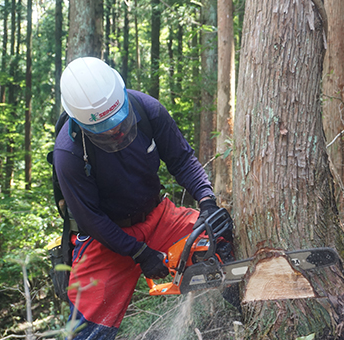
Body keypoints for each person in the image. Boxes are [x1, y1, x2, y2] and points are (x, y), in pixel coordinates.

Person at [53, 57, 227, 339]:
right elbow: (91, 219)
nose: (114, 131)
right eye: (103, 127)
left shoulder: (148, 110)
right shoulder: (69, 154)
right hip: (103, 237)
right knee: (87, 330)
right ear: (81, 123)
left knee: (217, 240)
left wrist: (207, 201)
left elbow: (181, 159)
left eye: (117, 119)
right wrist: (139, 253)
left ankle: (233, 316)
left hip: (157, 216)